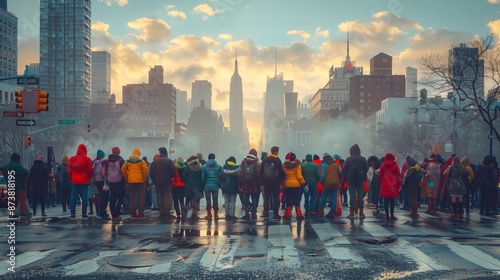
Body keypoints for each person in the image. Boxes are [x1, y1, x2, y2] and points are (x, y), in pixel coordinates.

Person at [121, 148, 149, 219]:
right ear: (138, 154)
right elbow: (145, 170)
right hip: (140, 182)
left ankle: (133, 214)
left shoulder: (127, 161)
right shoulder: (141, 161)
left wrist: (126, 178)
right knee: (141, 198)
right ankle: (141, 214)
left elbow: (123, 169)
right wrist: (144, 179)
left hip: (131, 182)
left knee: (132, 198)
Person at [342, 144, 369, 219]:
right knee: (360, 196)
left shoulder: (349, 159)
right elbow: (366, 168)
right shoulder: (363, 159)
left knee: (352, 196)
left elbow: (344, 170)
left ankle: (351, 213)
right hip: (360, 180)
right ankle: (361, 213)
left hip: (351, 180)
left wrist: (344, 179)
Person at [67, 144, 93, 219]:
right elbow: (90, 170)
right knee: (84, 197)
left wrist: (71, 178)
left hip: (74, 180)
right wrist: (89, 178)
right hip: (84, 180)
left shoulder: (72, 159)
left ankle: (72, 214)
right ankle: (84, 214)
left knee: (73, 197)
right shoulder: (87, 159)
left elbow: (69, 171)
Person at [149, 147, 176, 219]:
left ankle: (161, 212)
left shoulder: (155, 162)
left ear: (160, 153)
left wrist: (155, 180)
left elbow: (151, 173)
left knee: (160, 197)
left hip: (158, 182)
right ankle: (167, 212)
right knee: (167, 197)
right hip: (167, 182)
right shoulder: (169, 161)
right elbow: (173, 171)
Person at [260, 146, 286, 219]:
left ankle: (266, 213)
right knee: (275, 197)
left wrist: (262, 182)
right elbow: (281, 171)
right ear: (276, 152)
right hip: (275, 182)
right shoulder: (277, 160)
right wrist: (283, 178)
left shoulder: (265, 160)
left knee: (266, 198)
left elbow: (261, 171)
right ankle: (275, 214)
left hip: (266, 182)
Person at [102, 147, 126, 221]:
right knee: (120, 198)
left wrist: (107, 179)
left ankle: (113, 216)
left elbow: (103, 172)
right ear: (119, 152)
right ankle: (117, 215)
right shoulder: (121, 160)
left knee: (112, 199)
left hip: (110, 182)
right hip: (120, 182)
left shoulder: (106, 161)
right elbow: (124, 172)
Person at [3, 153, 29, 217]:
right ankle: (22, 212)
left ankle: (12, 213)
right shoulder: (17, 165)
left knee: (11, 199)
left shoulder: (6, 166)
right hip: (20, 186)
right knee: (22, 198)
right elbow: (26, 173)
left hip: (10, 185)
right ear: (17, 159)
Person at [282, 152, 306, 219]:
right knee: (297, 199)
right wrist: (303, 182)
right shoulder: (297, 165)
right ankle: (299, 214)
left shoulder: (284, 166)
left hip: (287, 185)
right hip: (296, 185)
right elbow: (299, 176)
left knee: (288, 199)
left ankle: (288, 214)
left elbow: (283, 175)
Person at [239, 149, 261, 219]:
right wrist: (260, 184)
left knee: (246, 199)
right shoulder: (256, 163)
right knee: (254, 199)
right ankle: (254, 213)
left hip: (245, 185)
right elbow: (258, 174)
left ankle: (247, 213)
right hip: (254, 185)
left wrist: (240, 184)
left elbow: (240, 173)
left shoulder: (243, 162)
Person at [379, 153, 402, 220]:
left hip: (385, 184)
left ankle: (387, 215)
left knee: (385, 200)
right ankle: (392, 215)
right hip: (393, 185)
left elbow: (380, 176)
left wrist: (381, 184)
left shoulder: (383, 166)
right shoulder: (395, 166)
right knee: (392, 201)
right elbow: (398, 176)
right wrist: (399, 185)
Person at [318, 153, 341, 218]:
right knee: (334, 198)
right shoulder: (335, 164)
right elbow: (340, 173)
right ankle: (332, 211)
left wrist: (320, 182)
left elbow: (323, 174)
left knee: (323, 197)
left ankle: (321, 211)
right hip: (336, 183)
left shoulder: (324, 164)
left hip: (327, 183)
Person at [202, 153, 223, 220]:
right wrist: (220, 185)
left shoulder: (204, 167)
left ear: (208, 158)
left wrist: (202, 185)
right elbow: (220, 177)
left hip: (207, 186)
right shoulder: (219, 167)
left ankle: (209, 214)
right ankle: (216, 214)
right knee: (215, 200)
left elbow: (203, 177)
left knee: (208, 200)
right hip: (215, 185)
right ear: (214, 158)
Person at [221, 156, 240, 220]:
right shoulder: (237, 168)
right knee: (233, 201)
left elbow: (221, 177)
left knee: (226, 201)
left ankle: (227, 214)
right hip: (234, 186)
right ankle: (232, 215)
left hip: (226, 186)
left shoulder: (224, 167)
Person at [90, 149, 106, 217]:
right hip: (101, 181)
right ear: (101, 156)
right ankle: (100, 210)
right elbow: (104, 172)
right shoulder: (102, 162)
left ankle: (95, 210)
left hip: (94, 181)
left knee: (94, 195)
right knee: (102, 195)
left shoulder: (93, 162)